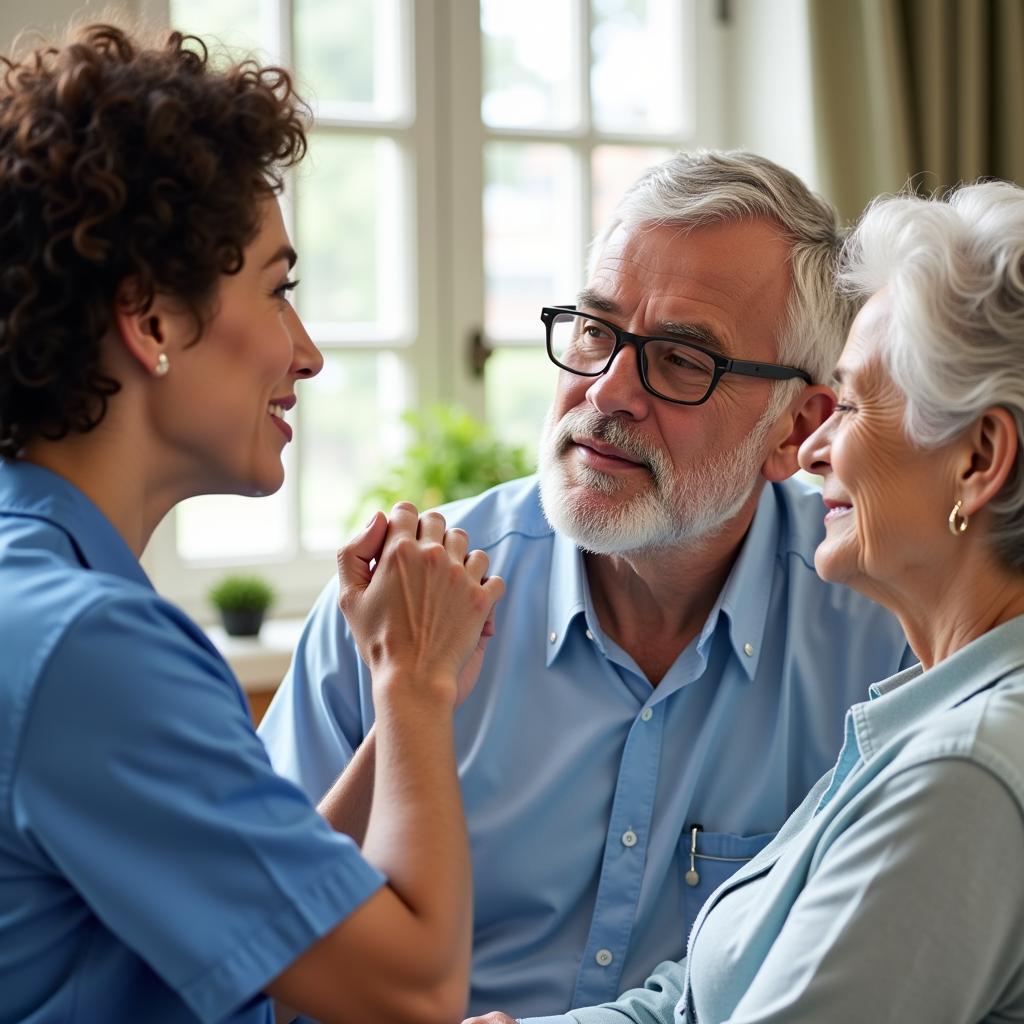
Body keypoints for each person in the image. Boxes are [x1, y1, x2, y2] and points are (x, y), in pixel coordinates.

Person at [259, 150, 914, 1018]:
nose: (608, 391)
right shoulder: (402, 601)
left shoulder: (881, 637)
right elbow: (256, 949)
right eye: (596, 331)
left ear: (796, 428)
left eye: (682, 359)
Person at [0, 24, 503, 1024]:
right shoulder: (87, 645)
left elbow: (247, 916)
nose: (307, 352)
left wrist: (392, 713)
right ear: (149, 322)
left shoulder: (39, 587)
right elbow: (414, 987)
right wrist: (412, 684)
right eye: (278, 291)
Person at [470, 179, 1024, 1024]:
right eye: (594, 331)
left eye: (854, 403)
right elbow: (696, 999)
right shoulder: (915, 710)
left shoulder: (964, 766)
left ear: (979, 458)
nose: (820, 448)